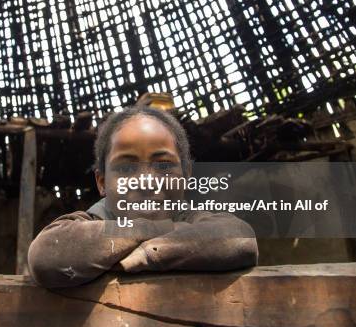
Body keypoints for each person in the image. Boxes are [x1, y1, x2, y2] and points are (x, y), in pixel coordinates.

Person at [28, 105, 259, 288]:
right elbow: (46, 255)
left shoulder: (191, 214)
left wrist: (144, 256)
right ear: (102, 183)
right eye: (126, 169)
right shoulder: (94, 219)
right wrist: (157, 230)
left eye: (164, 165)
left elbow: (239, 238)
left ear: (186, 176)